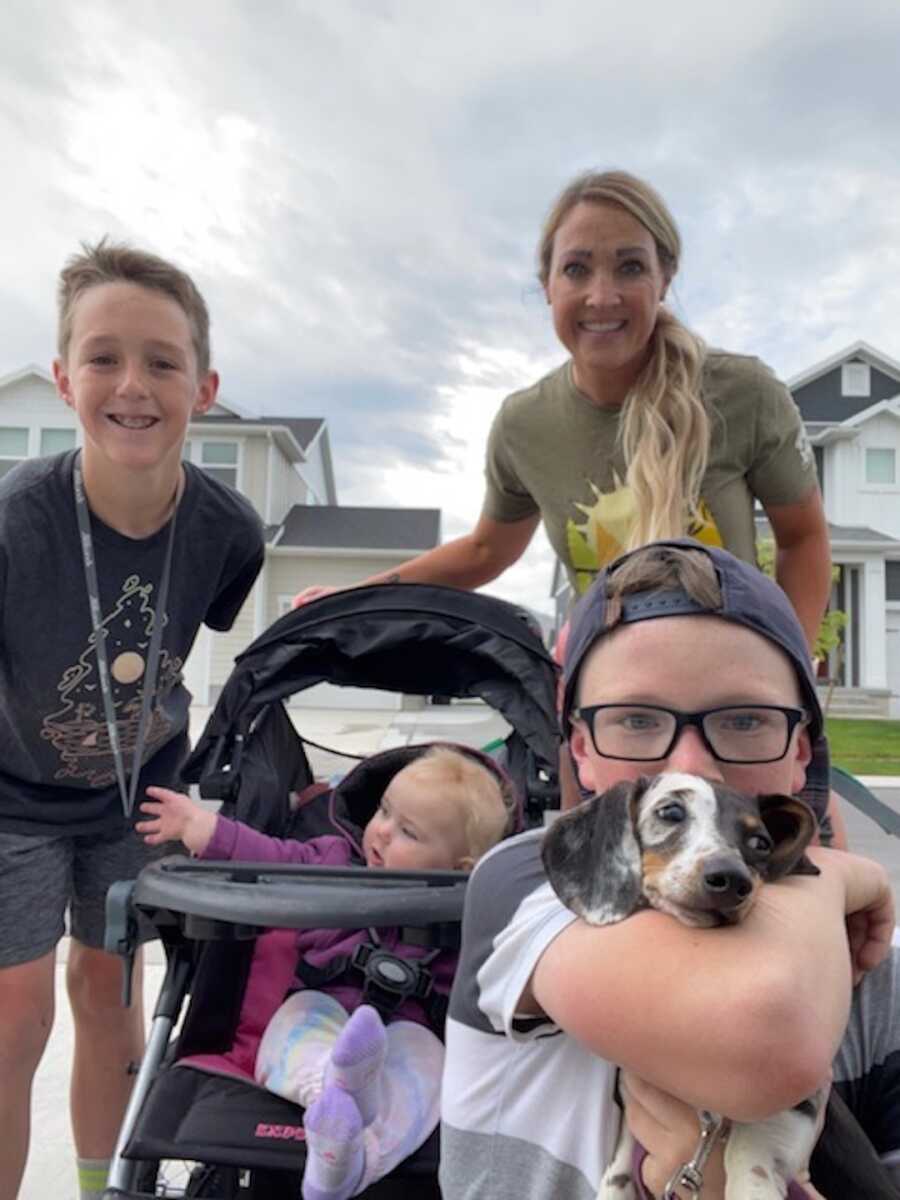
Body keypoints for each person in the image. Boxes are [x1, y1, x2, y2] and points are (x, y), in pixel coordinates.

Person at [291, 168, 840, 841]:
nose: (601, 295)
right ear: (548, 285)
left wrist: (789, 681)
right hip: (610, 709)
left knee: (794, 888)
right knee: (603, 892)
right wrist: (355, 599)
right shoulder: (526, 424)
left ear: (665, 278)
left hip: (731, 706)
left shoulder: (741, 392)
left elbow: (804, 539)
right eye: (576, 269)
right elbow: (487, 550)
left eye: (629, 266)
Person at [439, 541, 900, 1200]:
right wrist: (834, 878)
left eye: (744, 719)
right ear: (581, 751)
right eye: (635, 719)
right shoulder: (531, 885)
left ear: (800, 750)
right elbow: (769, 1038)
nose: (691, 768)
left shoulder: (882, 987)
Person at [0, 240, 265, 1200]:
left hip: (137, 792)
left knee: (113, 999)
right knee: (15, 1017)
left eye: (162, 360)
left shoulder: (229, 531)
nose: (133, 385)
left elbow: (203, 636)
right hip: (12, 798)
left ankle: (99, 1188)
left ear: (205, 386)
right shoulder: (13, 524)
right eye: (104, 358)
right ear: (66, 378)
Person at [138, 745, 512, 1200]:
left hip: (408, 1033)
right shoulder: (333, 856)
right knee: (293, 1031)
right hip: (322, 1007)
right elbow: (268, 859)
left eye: (408, 832)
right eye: (384, 811)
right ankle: (329, 1095)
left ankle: (354, 1154)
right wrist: (206, 828)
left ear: (461, 869)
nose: (383, 832)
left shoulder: (472, 908)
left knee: (428, 1072)